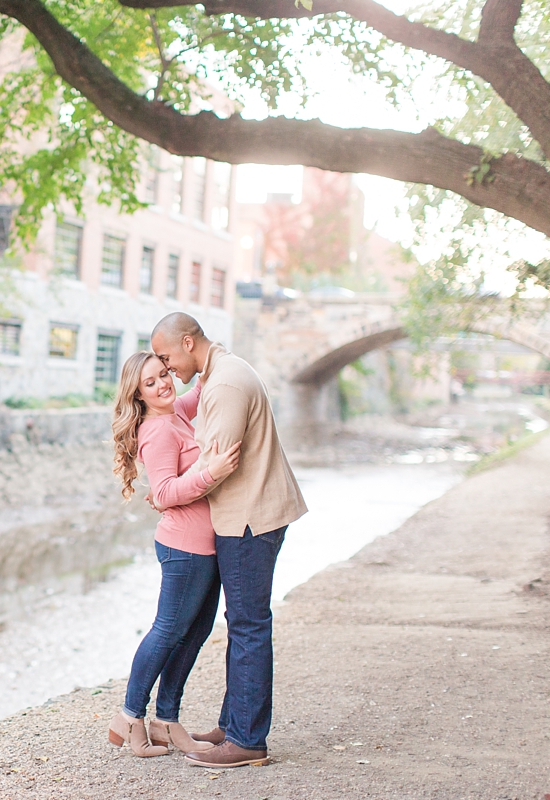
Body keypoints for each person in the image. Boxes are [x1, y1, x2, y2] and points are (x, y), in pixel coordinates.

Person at [149, 312, 307, 769]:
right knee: (243, 623)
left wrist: (166, 492)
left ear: (188, 341)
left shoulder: (224, 386)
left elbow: (216, 466)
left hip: (250, 519)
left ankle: (247, 740)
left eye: (165, 357)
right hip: (250, 515)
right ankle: (233, 723)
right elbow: (186, 424)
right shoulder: (222, 372)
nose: (166, 368)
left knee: (249, 625)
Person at [107, 350, 241, 757]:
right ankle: (129, 719)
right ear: (139, 394)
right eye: (151, 382)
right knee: (167, 632)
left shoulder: (175, 411)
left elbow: (200, 385)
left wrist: (202, 351)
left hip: (203, 546)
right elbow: (163, 494)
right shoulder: (159, 430)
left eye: (164, 373)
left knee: (195, 632)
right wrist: (211, 473)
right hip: (184, 548)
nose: (164, 383)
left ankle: (165, 721)